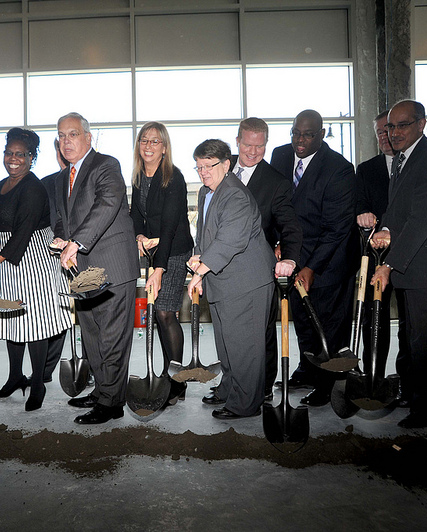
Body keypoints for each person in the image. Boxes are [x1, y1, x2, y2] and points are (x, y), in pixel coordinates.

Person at [371, 100, 427, 429]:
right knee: (411, 340)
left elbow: (421, 220)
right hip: (414, 270)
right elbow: (399, 209)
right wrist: (386, 230)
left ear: (421, 124)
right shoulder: (404, 159)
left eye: (403, 125)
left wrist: (389, 265)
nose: (395, 133)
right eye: (390, 127)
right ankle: (411, 394)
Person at [51, 112, 139, 425]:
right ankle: (103, 390)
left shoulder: (106, 165)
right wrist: (62, 238)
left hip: (112, 266)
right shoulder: (62, 177)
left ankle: (112, 403)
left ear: (88, 137)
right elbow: (61, 217)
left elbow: (108, 202)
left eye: (73, 134)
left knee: (112, 338)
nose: (66, 141)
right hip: (83, 270)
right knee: (92, 336)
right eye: (61, 136)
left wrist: (77, 242)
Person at [0, 128, 72, 411]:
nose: (14, 159)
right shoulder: (1, 184)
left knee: (34, 323)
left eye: (20, 154)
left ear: (32, 157)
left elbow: (23, 231)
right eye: (9, 153)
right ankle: (15, 377)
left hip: (32, 258)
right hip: (7, 258)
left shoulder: (33, 187)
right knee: (13, 319)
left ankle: (38, 384)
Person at [270, 109, 356, 406]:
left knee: (327, 327)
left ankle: (327, 385)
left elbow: (336, 229)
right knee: (303, 321)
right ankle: (307, 370)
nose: (300, 140)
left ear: (321, 134)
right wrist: (278, 242)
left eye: (308, 135)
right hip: (294, 258)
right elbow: (275, 205)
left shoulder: (339, 169)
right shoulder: (280, 156)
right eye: (296, 133)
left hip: (328, 262)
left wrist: (311, 267)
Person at [188, 139, 275, 419]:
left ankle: (246, 404)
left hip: (246, 282)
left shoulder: (235, 195)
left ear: (226, 165)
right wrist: (198, 256)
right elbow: (205, 233)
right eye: (199, 167)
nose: (203, 172)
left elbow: (230, 240)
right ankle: (229, 388)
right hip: (223, 279)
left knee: (245, 347)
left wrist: (200, 272)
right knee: (227, 344)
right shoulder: (206, 192)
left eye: (208, 166)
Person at [230, 117, 302, 399]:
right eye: (247, 145)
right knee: (228, 332)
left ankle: (262, 389)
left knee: (261, 332)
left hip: (257, 269)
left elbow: (290, 225)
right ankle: (232, 385)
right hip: (222, 269)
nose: (253, 152)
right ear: (237, 141)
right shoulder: (221, 169)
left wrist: (290, 258)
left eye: (260, 146)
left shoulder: (275, 182)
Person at [129, 121, 193, 406]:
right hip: (154, 250)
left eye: (155, 141)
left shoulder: (173, 178)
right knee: (159, 315)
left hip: (174, 251)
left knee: (166, 313)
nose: (148, 146)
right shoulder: (138, 176)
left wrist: (159, 269)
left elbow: (169, 227)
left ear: (164, 148)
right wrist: (139, 235)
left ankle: (177, 381)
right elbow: (135, 214)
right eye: (144, 140)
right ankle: (169, 374)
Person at [355, 111, 399, 400]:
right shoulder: (366, 169)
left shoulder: (416, 166)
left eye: (388, 130)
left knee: (411, 324)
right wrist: (362, 214)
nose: (384, 137)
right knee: (373, 320)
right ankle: (374, 377)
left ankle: (410, 382)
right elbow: (358, 203)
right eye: (379, 132)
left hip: (410, 257)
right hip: (374, 257)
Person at [38, 138, 69, 383]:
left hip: (86, 252)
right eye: (61, 150)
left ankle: (92, 368)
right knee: (57, 311)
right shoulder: (45, 184)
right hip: (52, 254)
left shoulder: (91, 179)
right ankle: (45, 370)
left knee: (89, 316)